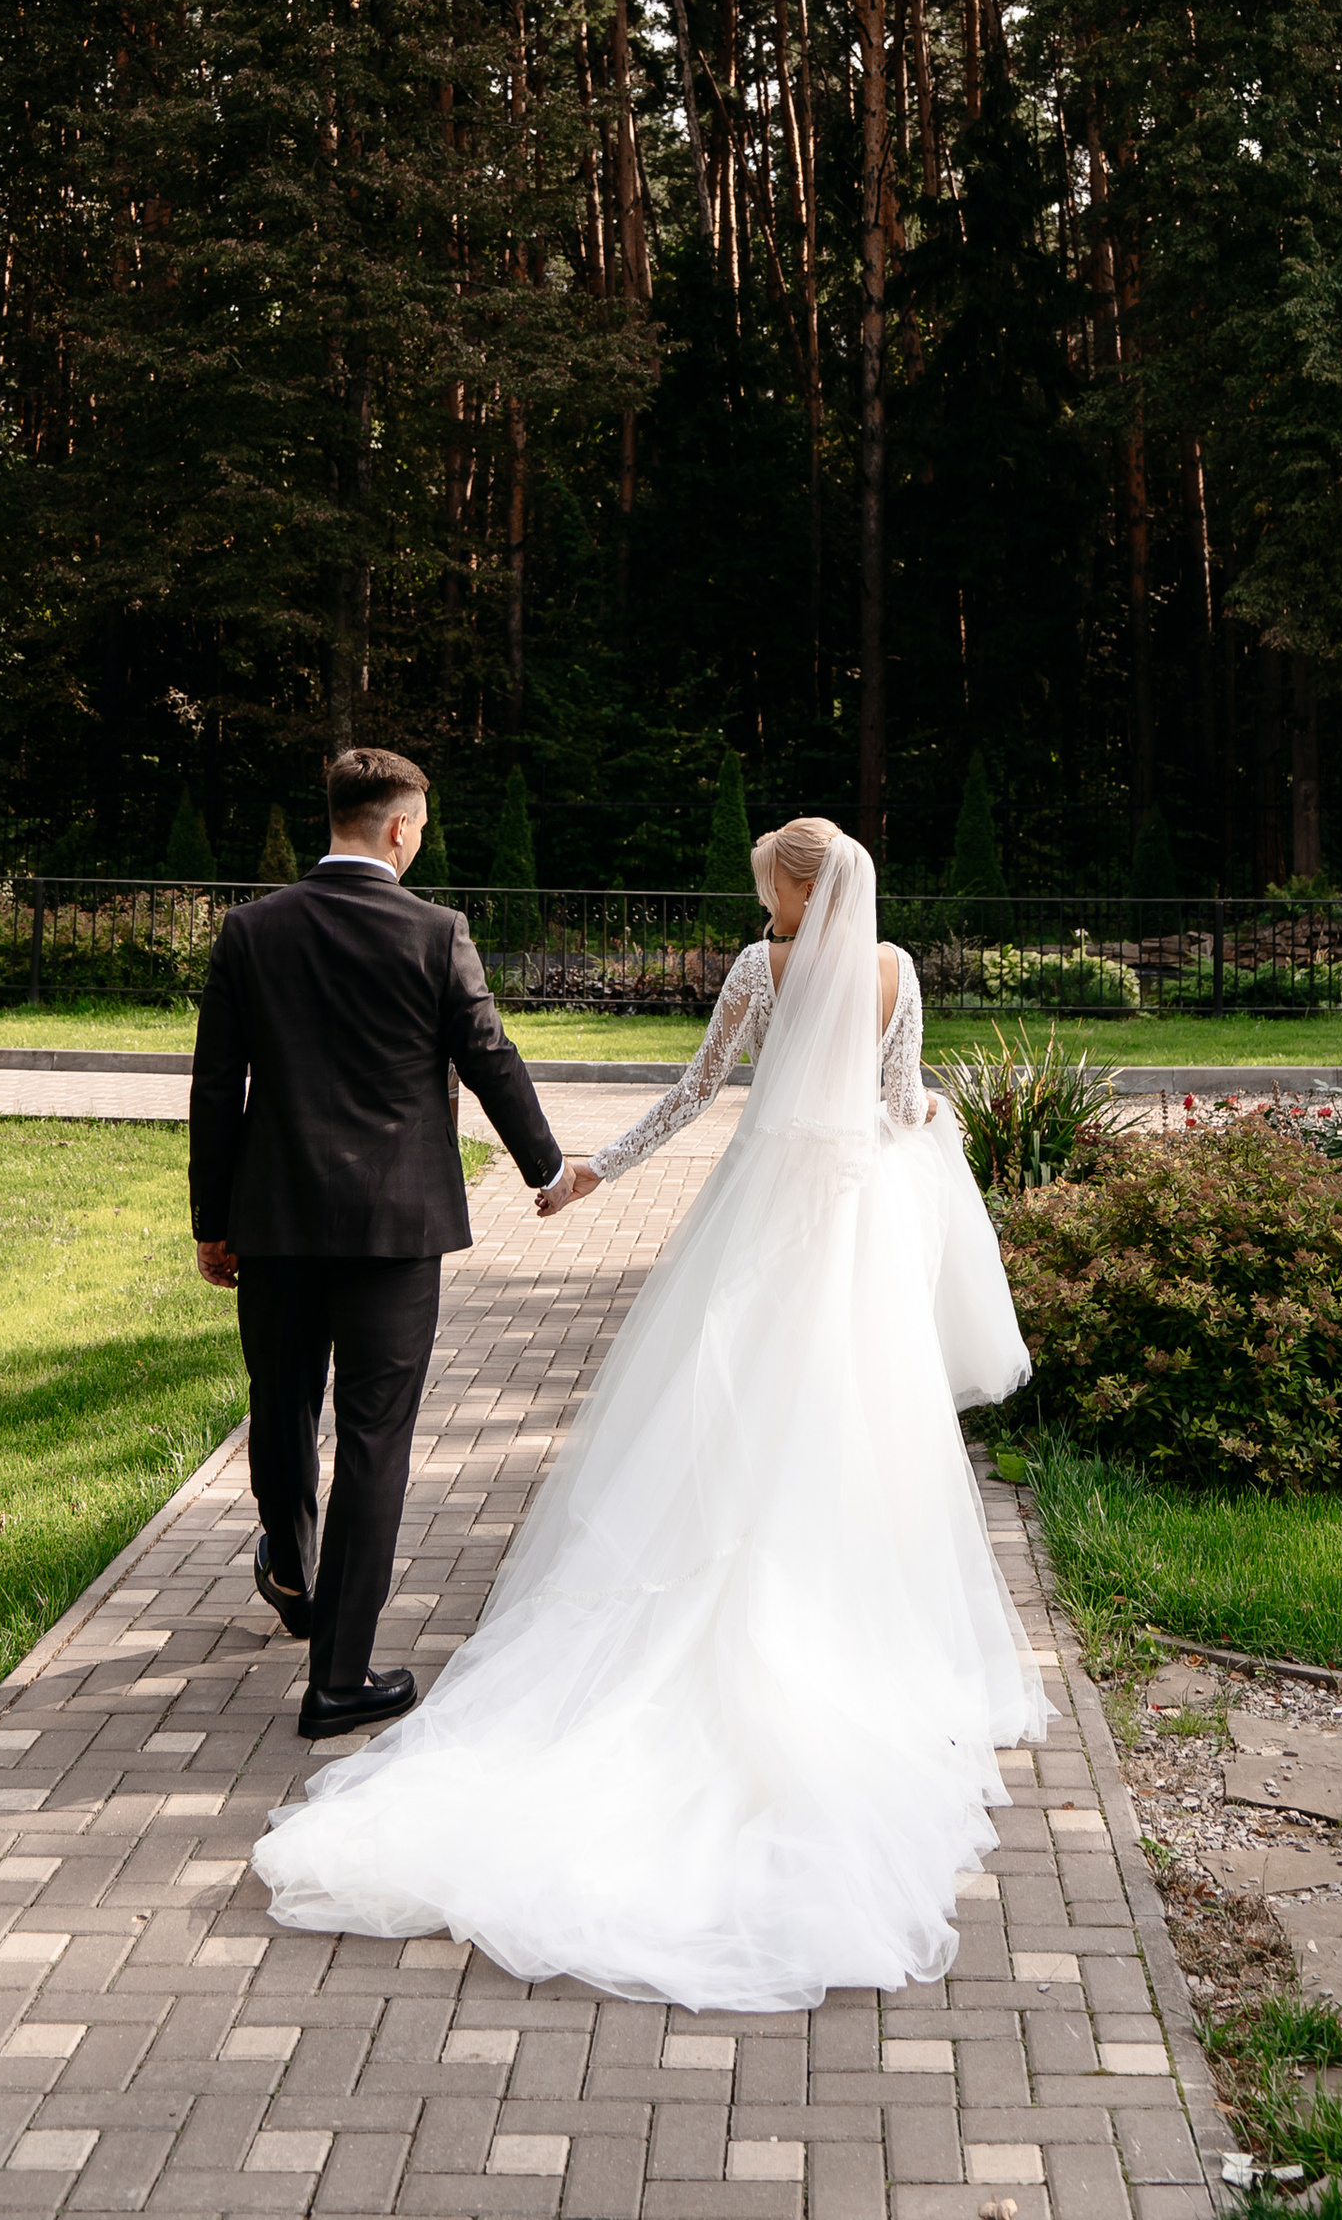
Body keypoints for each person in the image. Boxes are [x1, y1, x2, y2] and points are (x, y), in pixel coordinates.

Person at [251, 818, 1046, 2008]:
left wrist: (593, 1174)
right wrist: (935, 1133)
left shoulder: (756, 967)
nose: (765, 907)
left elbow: (694, 1092)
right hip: (851, 1228)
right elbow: (902, 1099)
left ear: (794, 889)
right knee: (850, 1424)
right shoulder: (895, 969)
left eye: (767, 890)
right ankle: (842, 1620)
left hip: (763, 1215)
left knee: (720, 1414)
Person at [189, 744, 566, 1742]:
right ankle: (339, 1674)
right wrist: (546, 1170)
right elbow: (490, 1056)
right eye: (422, 826)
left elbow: (214, 1089)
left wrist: (210, 1222)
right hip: (395, 1231)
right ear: (397, 828)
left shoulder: (251, 932)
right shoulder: (436, 934)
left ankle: (295, 1575)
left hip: (272, 1219)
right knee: (373, 1436)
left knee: (281, 1404)